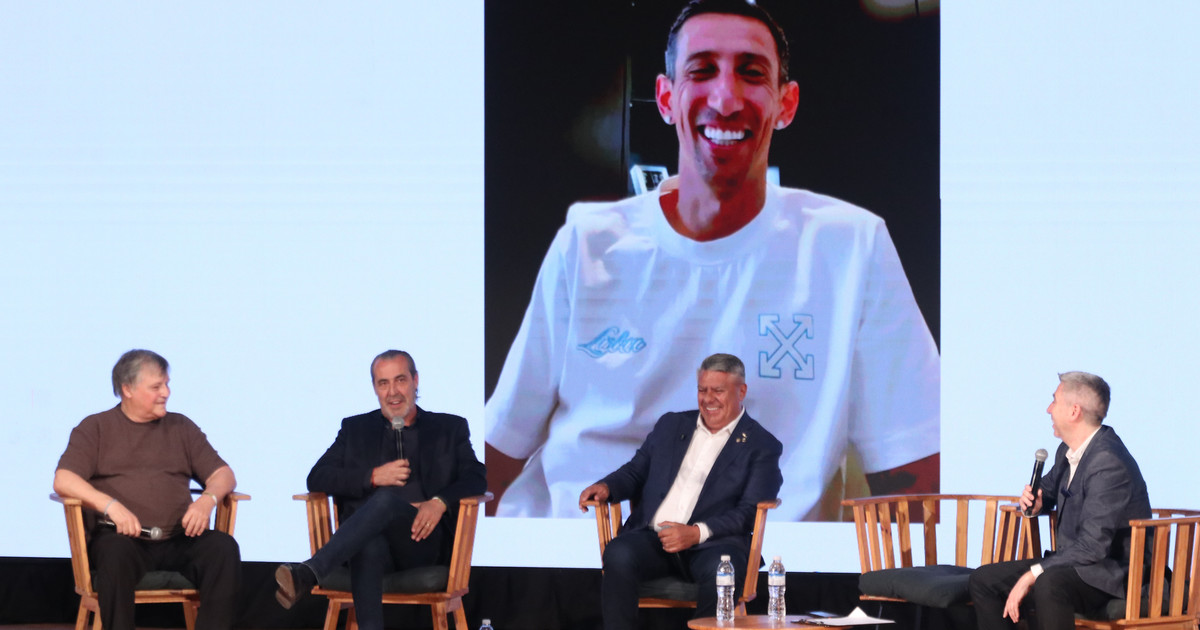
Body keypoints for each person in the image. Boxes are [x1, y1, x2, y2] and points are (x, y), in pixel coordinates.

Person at [486, 0, 940, 520]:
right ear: (666, 97)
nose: (725, 99)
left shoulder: (851, 247)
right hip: (579, 549)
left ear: (786, 103)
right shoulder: (586, 244)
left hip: (763, 558)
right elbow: (501, 448)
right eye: (701, 71)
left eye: (752, 73)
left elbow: (914, 475)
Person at [274, 350, 487, 630]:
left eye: (400, 380)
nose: (392, 392)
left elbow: (476, 477)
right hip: (369, 545)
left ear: (415, 381)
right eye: (383, 383)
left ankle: (309, 571)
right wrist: (373, 476)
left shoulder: (449, 427)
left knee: (385, 502)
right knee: (369, 541)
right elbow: (317, 477)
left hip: (422, 541)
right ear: (375, 388)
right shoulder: (355, 428)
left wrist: (440, 501)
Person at [578, 353, 783, 628]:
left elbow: (748, 512)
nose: (708, 399)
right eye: (702, 390)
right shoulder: (671, 425)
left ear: (741, 391)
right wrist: (606, 487)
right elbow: (635, 471)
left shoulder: (762, 445)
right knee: (619, 553)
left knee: (723, 573)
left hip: (714, 545)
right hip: (654, 538)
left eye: (718, 391)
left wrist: (696, 532)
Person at [53, 349, 240, 630]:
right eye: (156, 387)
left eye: (166, 384)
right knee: (114, 553)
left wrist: (207, 500)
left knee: (223, 548)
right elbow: (64, 479)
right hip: (124, 540)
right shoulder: (96, 427)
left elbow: (223, 474)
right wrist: (111, 506)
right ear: (127, 389)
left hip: (180, 538)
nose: (166, 392)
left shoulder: (181, 427)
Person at [968, 371, 1151, 629]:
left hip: (1112, 573)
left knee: (1049, 582)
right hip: (1077, 564)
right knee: (984, 580)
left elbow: (1093, 547)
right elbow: (1048, 490)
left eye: (1054, 401)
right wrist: (1036, 502)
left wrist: (1033, 573)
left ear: (1074, 411)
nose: (1048, 409)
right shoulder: (1067, 450)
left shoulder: (1108, 462)